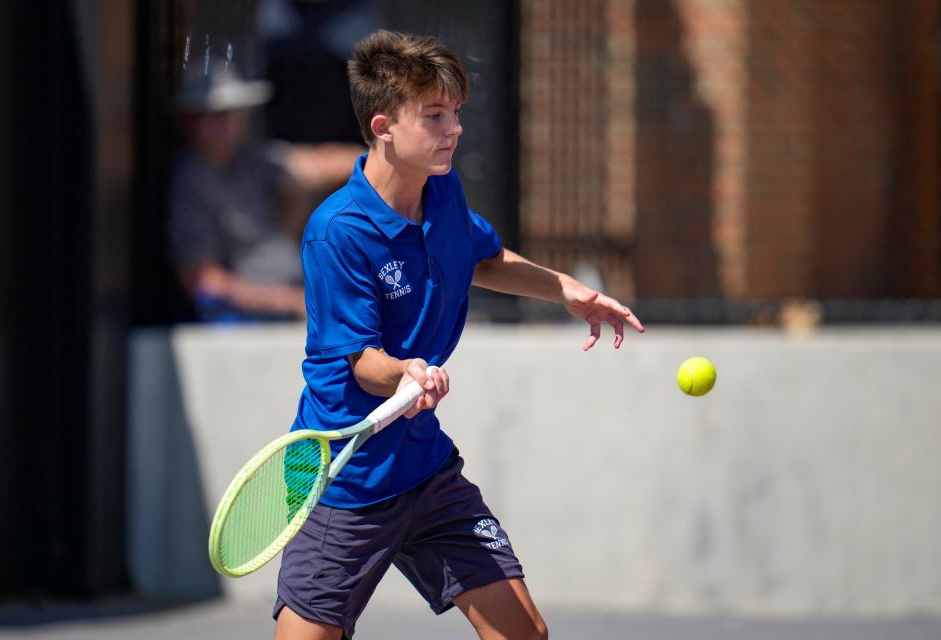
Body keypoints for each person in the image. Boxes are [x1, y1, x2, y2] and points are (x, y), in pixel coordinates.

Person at [275, 30, 645, 640]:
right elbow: (357, 361)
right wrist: (405, 372)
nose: (454, 129)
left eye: (457, 113)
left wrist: (566, 291)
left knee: (525, 633)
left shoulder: (442, 191)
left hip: (425, 470)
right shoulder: (336, 232)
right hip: (342, 475)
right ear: (384, 126)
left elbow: (481, 257)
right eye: (435, 116)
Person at [168, 63, 362, 322]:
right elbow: (204, 282)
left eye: (233, 112)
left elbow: (314, 166)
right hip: (240, 319)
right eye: (216, 115)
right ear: (191, 121)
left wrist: (382, 163)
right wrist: (290, 301)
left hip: (293, 295)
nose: (227, 124)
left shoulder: (252, 159)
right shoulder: (190, 182)